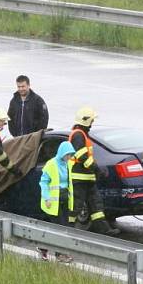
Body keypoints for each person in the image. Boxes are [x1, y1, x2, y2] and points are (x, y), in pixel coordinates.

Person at [68, 106, 120, 236]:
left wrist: (95, 171)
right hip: (79, 178)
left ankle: (104, 230)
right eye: (91, 120)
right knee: (76, 206)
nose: (92, 123)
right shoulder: (78, 135)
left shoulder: (82, 134)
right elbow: (81, 155)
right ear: (86, 121)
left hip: (87, 178)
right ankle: (68, 230)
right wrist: (97, 169)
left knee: (96, 206)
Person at [38, 141, 76, 262]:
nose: (69, 157)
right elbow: (43, 182)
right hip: (52, 202)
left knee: (58, 227)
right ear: (61, 153)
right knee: (60, 227)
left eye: (71, 155)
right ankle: (60, 254)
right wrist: (47, 198)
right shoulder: (51, 164)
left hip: (64, 200)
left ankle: (43, 248)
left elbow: (69, 183)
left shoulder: (68, 164)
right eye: (67, 155)